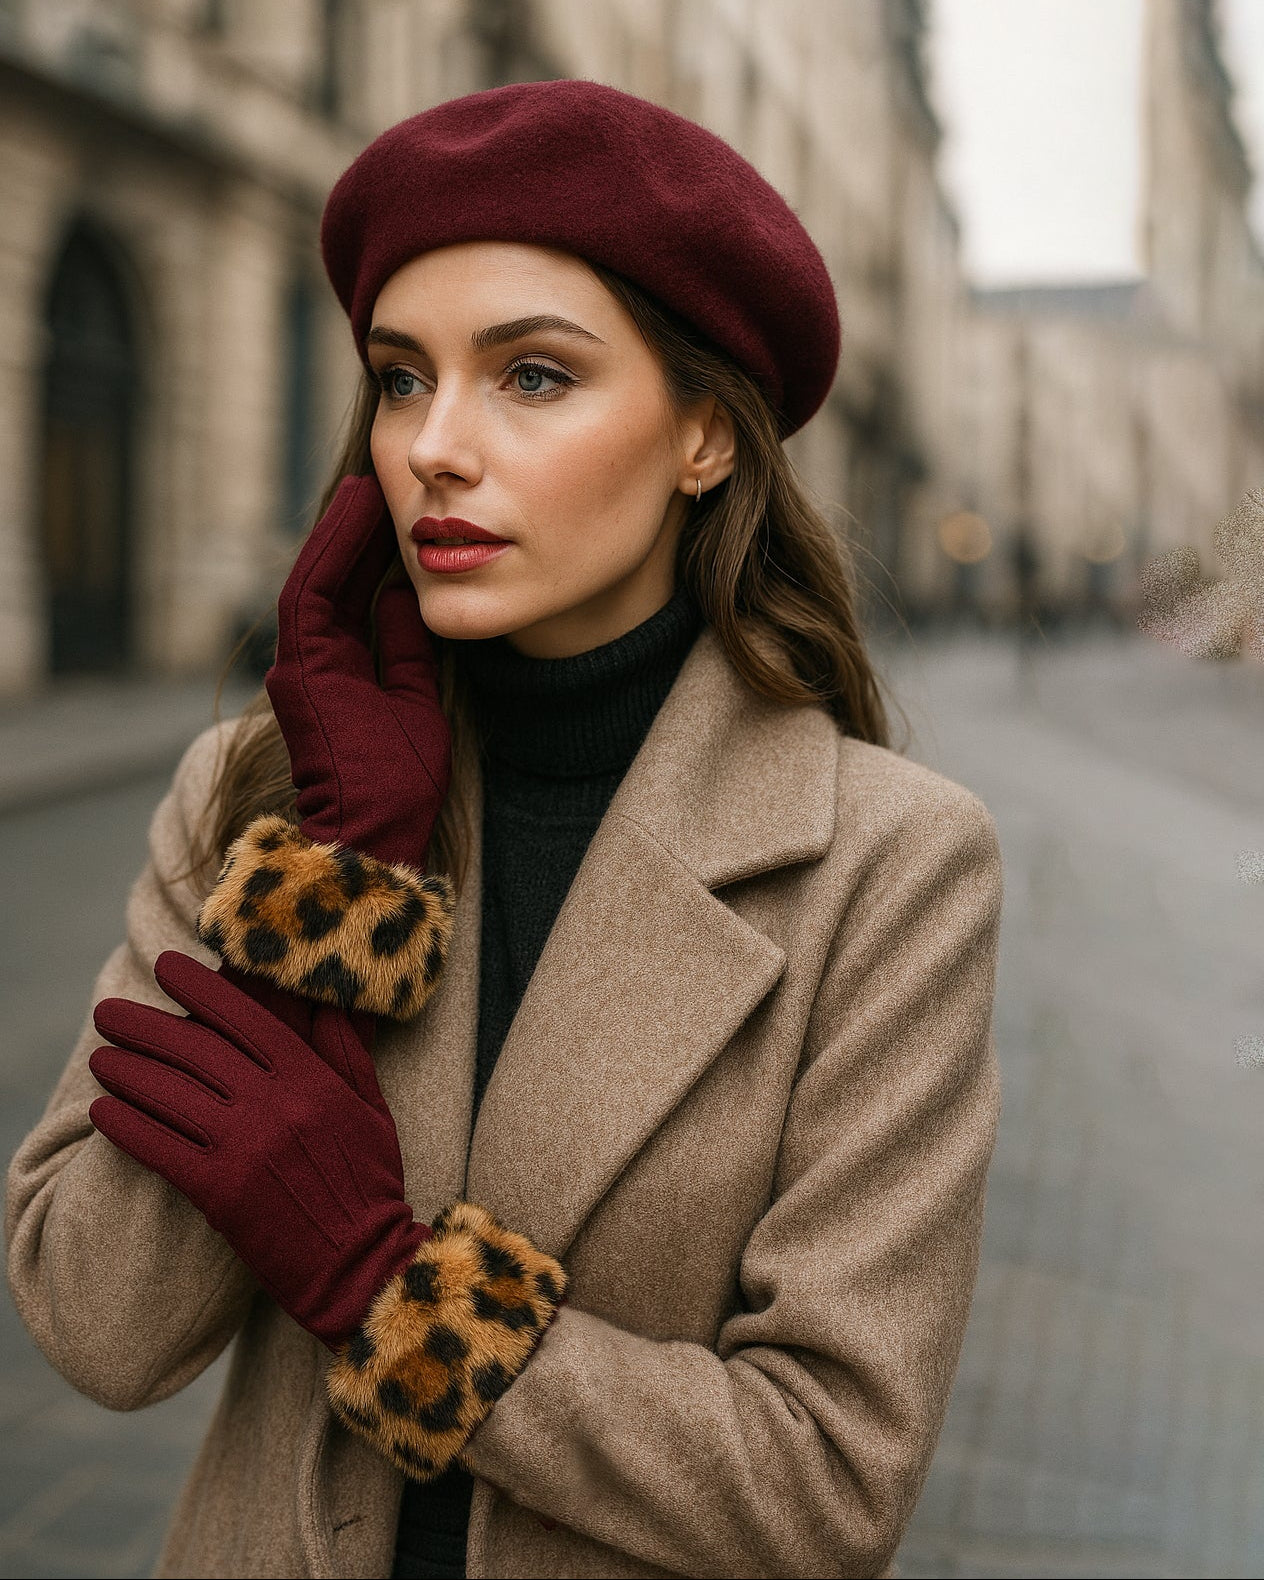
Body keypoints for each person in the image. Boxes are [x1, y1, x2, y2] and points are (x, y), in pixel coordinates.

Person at [5, 80, 1003, 1580]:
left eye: (532, 377)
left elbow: (825, 1483)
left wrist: (385, 1289)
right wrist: (328, 892)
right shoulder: (256, 793)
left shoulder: (889, 869)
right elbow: (99, 1322)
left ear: (705, 440)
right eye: (401, 380)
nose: (433, 450)